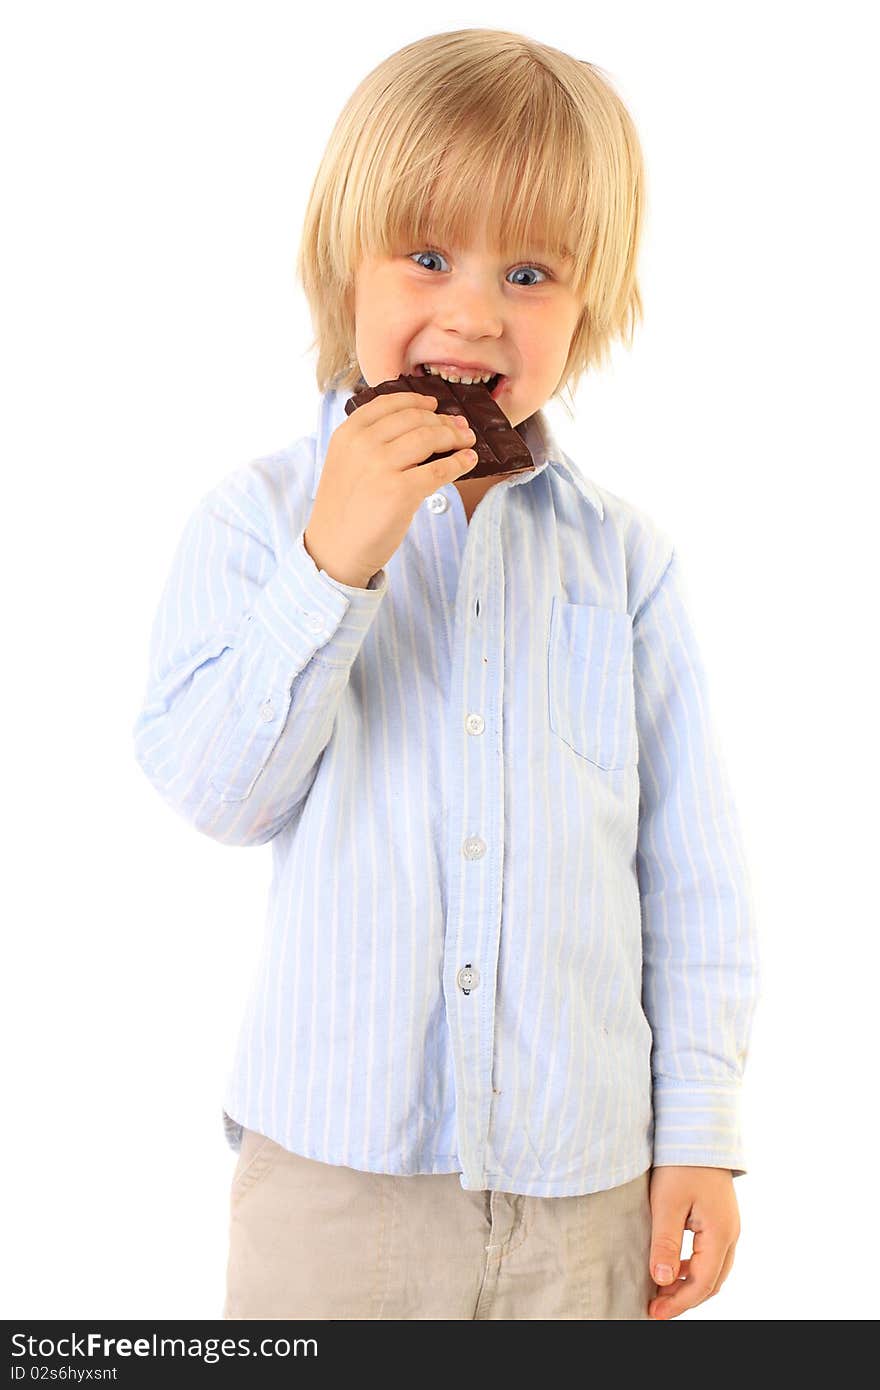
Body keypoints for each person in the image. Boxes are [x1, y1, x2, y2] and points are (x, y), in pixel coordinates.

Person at [132, 27, 761, 1321]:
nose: (474, 312)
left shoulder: (624, 563)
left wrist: (697, 1126)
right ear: (341, 267)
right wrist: (334, 563)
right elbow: (213, 789)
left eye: (527, 271)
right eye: (427, 256)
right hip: (333, 1180)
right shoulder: (255, 522)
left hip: (579, 1184)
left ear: (589, 309)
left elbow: (690, 873)